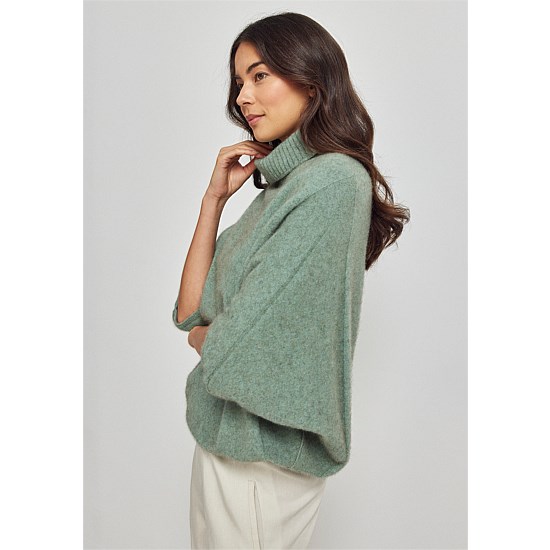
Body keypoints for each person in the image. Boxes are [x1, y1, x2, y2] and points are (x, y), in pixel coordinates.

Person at [172, 11, 410, 549]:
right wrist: (213, 202)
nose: (243, 97)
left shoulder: (333, 181)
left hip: (262, 463)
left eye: (260, 75)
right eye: (239, 82)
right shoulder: (286, 186)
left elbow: (231, 344)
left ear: (311, 80)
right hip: (226, 444)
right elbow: (190, 312)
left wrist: (211, 337)